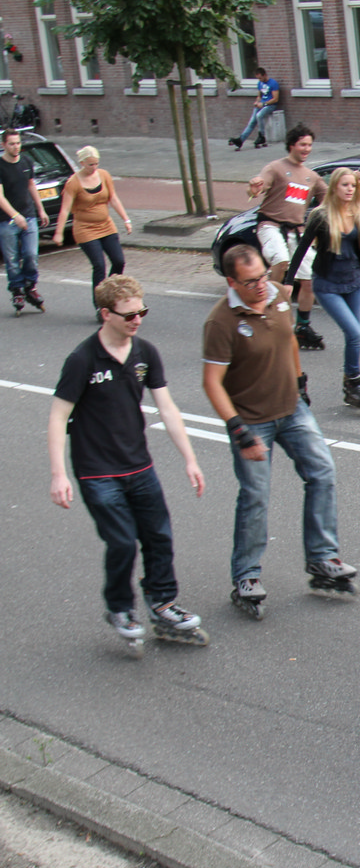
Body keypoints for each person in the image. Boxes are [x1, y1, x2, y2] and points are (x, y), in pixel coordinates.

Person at [48, 275, 208, 655]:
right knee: (121, 542)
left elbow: (167, 407)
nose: (138, 320)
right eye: (129, 315)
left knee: (158, 536)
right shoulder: (82, 359)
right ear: (106, 314)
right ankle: (119, 608)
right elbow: (58, 416)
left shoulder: (145, 353)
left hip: (139, 465)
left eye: (142, 312)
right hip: (97, 471)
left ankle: (163, 603)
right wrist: (59, 474)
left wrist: (190, 459)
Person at [202, 244, 358, 620]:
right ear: (231, 282)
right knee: (255, 496)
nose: (261, 285)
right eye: (250, 281)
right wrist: (238, 431)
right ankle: (246, 576)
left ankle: (322, 558)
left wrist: (299, 380)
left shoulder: (276, 296)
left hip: (292, 409)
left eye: (262, 276)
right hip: (251, 420)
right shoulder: (221, 322)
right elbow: (211, 383)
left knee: (322, 473)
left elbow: (288, 337)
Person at [287, 167, 360, 413]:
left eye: (353, 186)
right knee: (354, 333)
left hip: (354, 282)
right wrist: (288, 281)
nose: (350, 190)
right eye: (344, 185)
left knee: (355, 335)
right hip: (327, 284)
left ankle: (351, 383)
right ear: (334, 187)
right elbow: (302, 248)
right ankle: (354, 381)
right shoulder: (321, 216)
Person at [247, 123, 327, 351]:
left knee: (310, 279)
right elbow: (256, 188)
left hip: (297, 232)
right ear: (292, 145)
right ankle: (270, 314)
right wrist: (253, 188)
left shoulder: (312, 177)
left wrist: (354, 185)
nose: (307, 149)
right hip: (270, 226)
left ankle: (302, 326)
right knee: (281, 260)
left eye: (309, 145)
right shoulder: (275, 168)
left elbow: (330, 198)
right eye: (303, 144)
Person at [53, 145, 133, 290]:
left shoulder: (104, 175)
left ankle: (109, 290)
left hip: (106, 225)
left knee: (119, 261)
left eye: (96, 163)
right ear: (82, 163)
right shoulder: (73, 183)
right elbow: (65, 209)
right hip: (85, 229)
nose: (94, 167)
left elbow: (113, 198)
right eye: (90, 164)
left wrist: (126, 220)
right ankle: (99, 299)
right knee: (99, 265)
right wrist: (59, 233)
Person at [1, 127, 49, 315]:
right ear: (3, 145)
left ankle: (30, 285)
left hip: (28, 215)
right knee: (12, 259)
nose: (16, 147)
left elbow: (31, 186)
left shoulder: (26, 161)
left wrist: (41, 209)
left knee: (31, 254)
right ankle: (17, 290)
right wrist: (15, 216)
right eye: (12, 144)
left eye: (18, 143)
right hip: (6, 220)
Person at [229, 68, 281, 151]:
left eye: (260, 78)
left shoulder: (273, 83)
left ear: (264, 75)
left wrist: (263, 104)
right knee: (252, 121)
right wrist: (257, 102)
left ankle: (262, 136)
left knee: (259, 115)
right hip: (261, 104)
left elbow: (275, 99)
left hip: (270, 105)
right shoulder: (260, 83)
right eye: (258, 78)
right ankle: (241, 140)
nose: (259, 80)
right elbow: (259, 96)